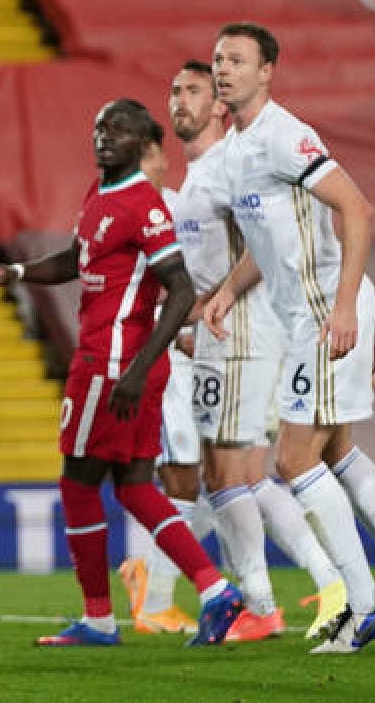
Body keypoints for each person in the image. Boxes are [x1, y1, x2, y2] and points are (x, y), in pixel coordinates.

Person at [0, 98, 242, 647]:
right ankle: (215, 591)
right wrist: (19, 270)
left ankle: (99, 619)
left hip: (113, 364)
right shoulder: (99, 195)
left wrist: (136, 369)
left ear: (145, 146)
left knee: (77, 484)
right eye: (101, 126)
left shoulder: (143, 204)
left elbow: (182, 289)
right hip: (117, 363)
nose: (105, 136)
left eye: (120, 130)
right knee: (133, 486)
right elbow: (76, 260)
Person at [137, 60, 348, 642]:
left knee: (230, 474)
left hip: (245, 335)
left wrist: (224, 299)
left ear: (221, 107)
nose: (180, 99)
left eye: (195, 90)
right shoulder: (199, 179)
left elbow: (269, 241)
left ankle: (266, 602)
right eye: (175, 89)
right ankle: (325, 588)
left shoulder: (231, 167)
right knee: (243, 475)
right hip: (220, 337)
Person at [201, 22, 375, 652]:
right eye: (218, 59)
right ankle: (368, 605)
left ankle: (366, 604)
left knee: (292, 460)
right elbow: (267, 243)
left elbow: (356, 208)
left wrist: (343, 308)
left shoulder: (285, 136)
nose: (223, 69)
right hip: (309, 316)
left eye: (237, 61)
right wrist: (228, 290)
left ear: (267, 72)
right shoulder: (238, 150)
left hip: (327, 313)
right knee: (334, 453)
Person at [118, 135, 215, 636]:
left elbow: (190, 280)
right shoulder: (109, 211)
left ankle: (148, 572)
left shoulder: (177, 207)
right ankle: (155, 597)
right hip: (160, 358)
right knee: (181, 479)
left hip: (186, 353)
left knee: (215, 483)